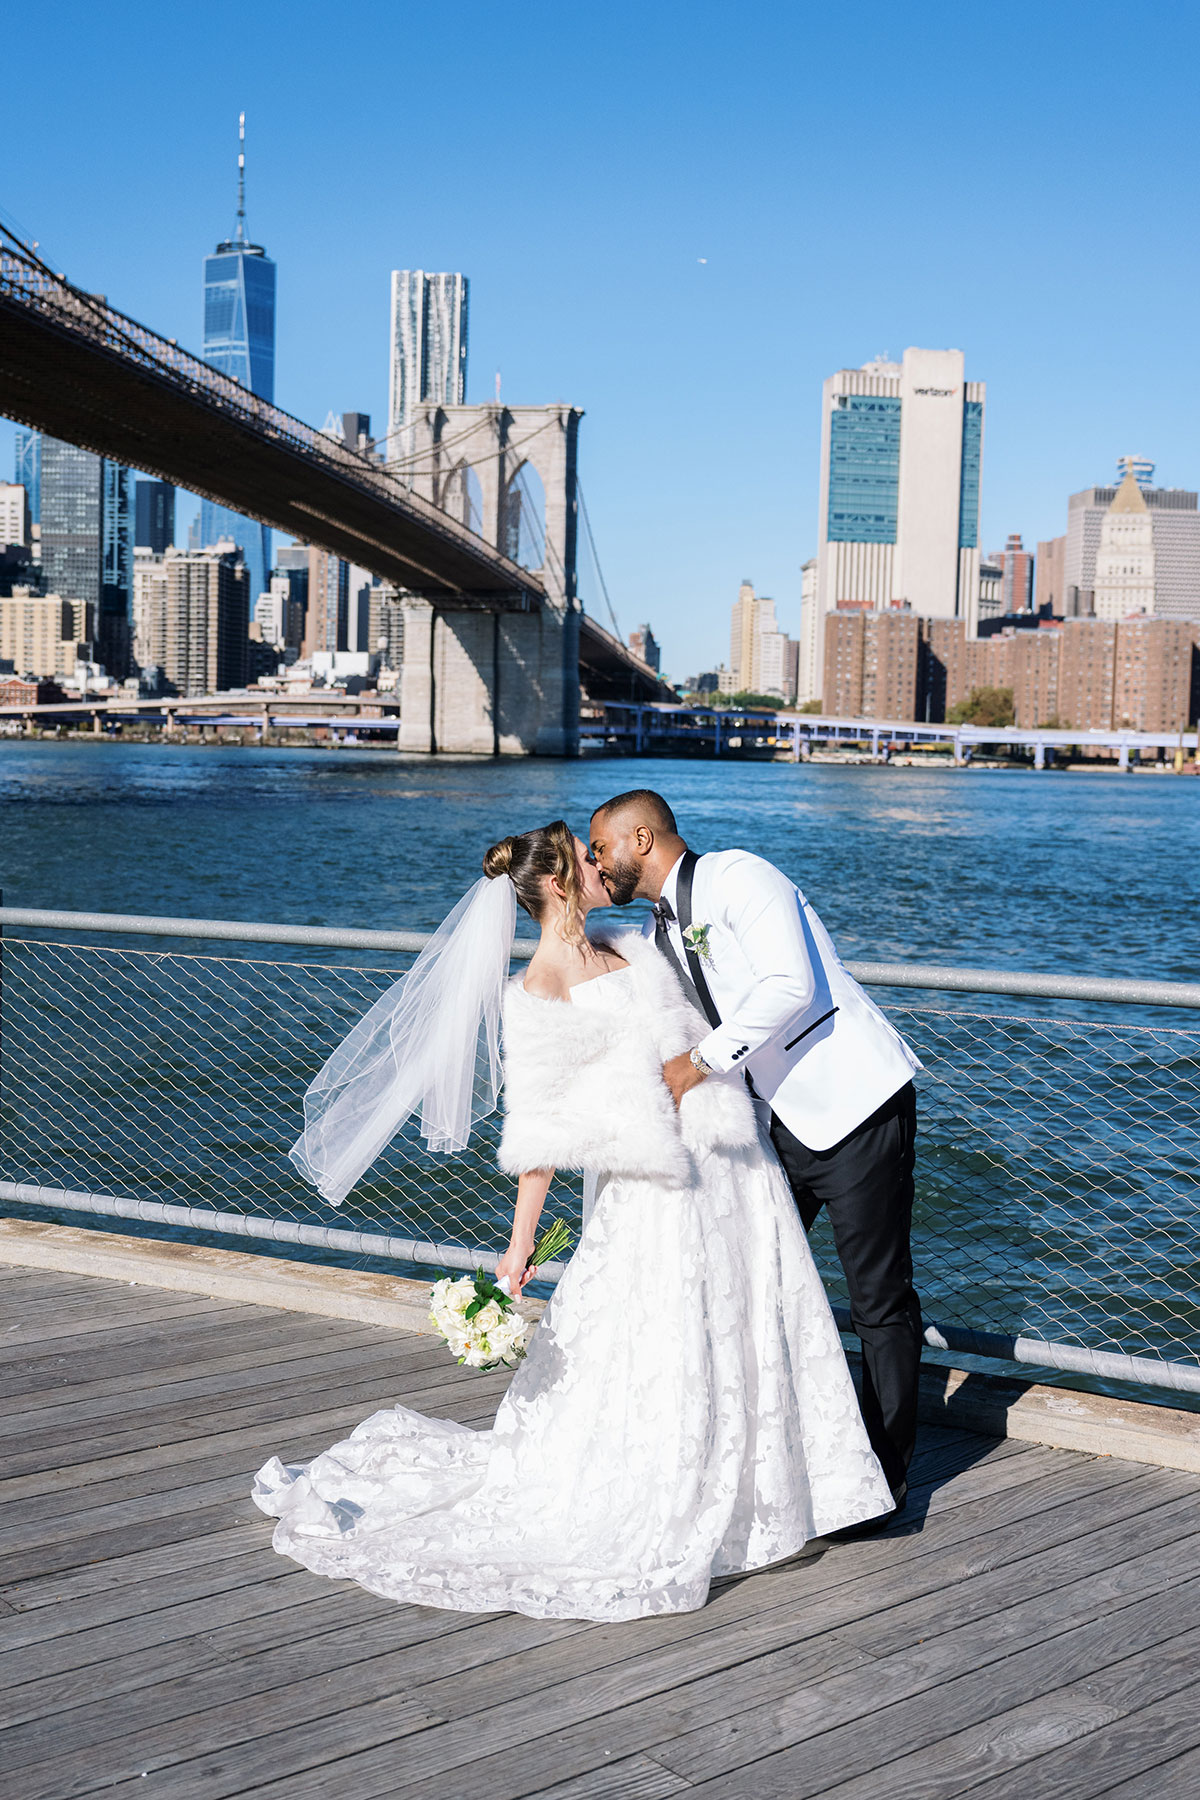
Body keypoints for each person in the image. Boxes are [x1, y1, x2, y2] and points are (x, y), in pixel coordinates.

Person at [253, 820, 893, 1621]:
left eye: (600, 853)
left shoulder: (632, 933)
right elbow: (542, 1127)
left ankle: (777, 1491)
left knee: (753, 1318)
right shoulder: (535, 993)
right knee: (671, 1336)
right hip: (653, 1181)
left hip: (734, 1161)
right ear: (557, 883)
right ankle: (689, 1489)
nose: (601, 867)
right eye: (587, 861)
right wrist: (520, 1243)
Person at [589, 789, 922, 1529]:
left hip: (854, 1106)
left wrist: (696, 1065)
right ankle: (789, 1456)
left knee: (878, 1303)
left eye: (600, 847)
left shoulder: (741, 877)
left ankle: (884, 1487)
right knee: (753, 1280)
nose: (597, 861)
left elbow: (790, 985)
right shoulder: (660, 927)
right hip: (776, 1128)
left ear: (639, 841)